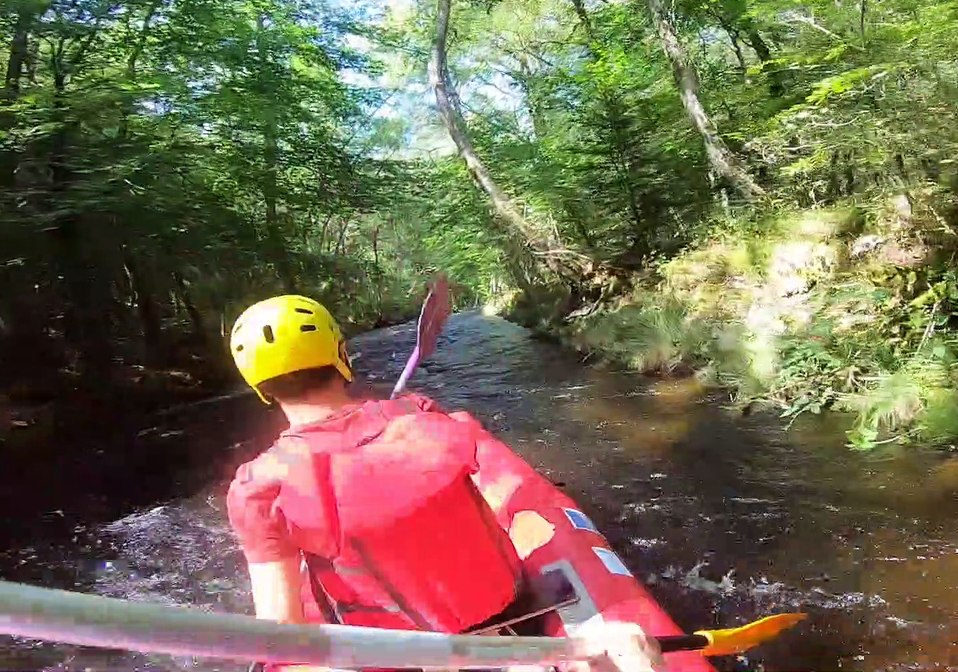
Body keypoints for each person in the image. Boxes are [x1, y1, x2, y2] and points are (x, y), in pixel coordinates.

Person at [223, 288, 665, 672]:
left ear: (261, 387)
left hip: (397, 655)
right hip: (514, 615)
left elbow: (282, 630)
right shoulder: (426, 420)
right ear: (342, 356)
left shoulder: (257, 489)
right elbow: (494, 479)